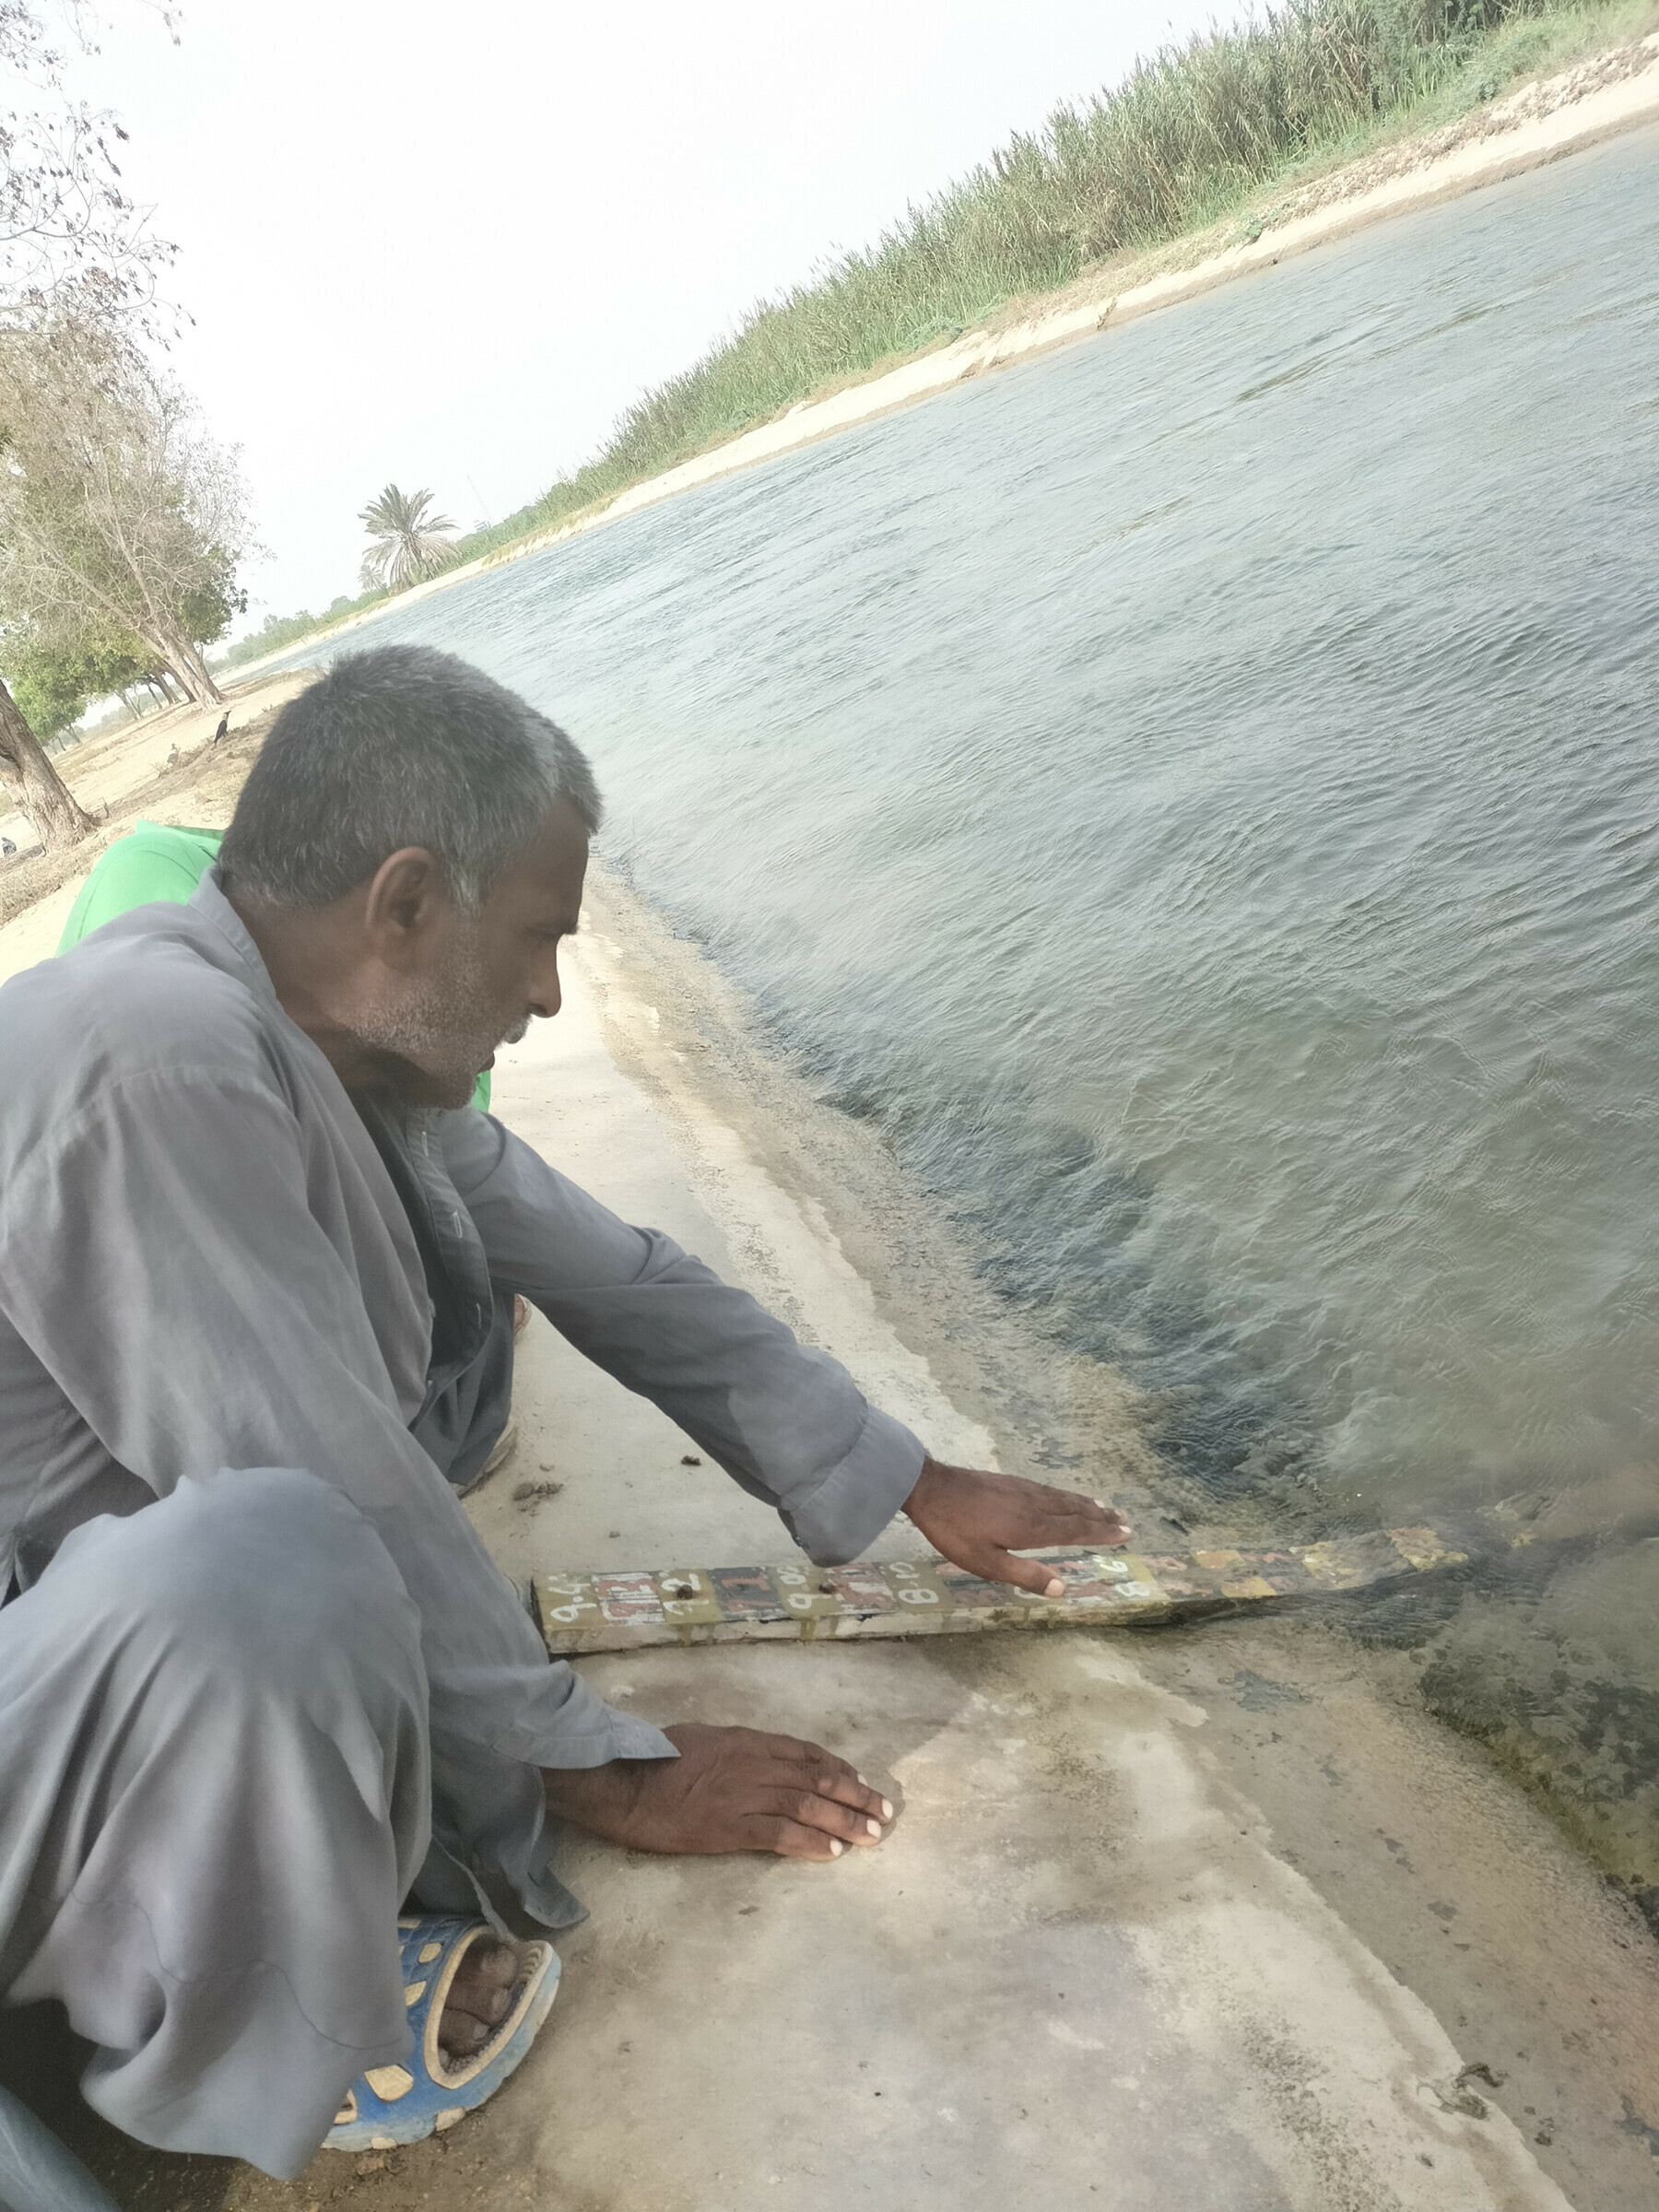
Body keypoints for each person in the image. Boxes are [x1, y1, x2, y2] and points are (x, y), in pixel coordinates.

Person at [0, 647, 1129, 2180]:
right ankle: (228, 2032)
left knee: (396, 1439)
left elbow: (625, 1278)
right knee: (275, 1563)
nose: (545, 995)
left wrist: (910, 1479)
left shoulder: (344, 1065)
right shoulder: (146, 1052)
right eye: (535, 941)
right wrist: (603, 1767)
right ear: (404, 906)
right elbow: (324, 1474)